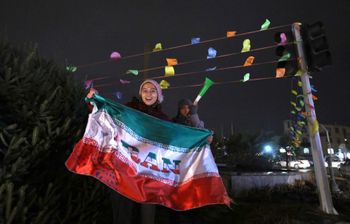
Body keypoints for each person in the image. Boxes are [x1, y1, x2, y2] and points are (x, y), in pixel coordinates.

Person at [110, 79, 170, 224]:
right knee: (124, 213)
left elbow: (179, 137)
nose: (149, 94)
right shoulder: (129, 110)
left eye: (153, 91)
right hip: (128, 172)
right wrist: (94, 101)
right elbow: (110, 114)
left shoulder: (163, 119)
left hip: (150, 173)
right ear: (140, 94)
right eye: (145, 90)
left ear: (158, 95)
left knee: (147, 215)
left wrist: (202, 138)